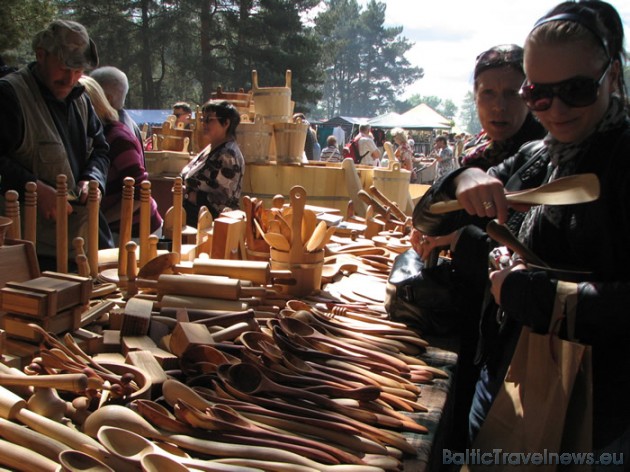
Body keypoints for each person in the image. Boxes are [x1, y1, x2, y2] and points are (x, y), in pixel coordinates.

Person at [413, 1, 630, 461]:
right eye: (539, 94)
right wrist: (461, 180)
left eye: (576, 90)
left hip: (594, 411)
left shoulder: (623, 163)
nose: (556, 109)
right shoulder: (537, 156)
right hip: (505, 375)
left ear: (612, 76)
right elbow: (427, 218)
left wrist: (534, 295)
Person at [0, 19, 113, 267]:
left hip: (81, 240)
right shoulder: (10, 96)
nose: (71, 78)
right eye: (64, 68)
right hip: (30, 252)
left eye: (79, 70)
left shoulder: (80, 99)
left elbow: (101, 150)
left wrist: (93, 178)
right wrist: (35, 189)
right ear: (41, 55)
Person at [79, 76, 162, 242]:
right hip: (111, 227)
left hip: (136, 232)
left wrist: (99, 221)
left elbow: (139, 194)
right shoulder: (93, 136)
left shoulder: (118, 138)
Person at [460, 44, 546, 171]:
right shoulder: (473, 150)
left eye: (512, 93)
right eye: (488, 93)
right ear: (475, 94)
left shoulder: (547, 153)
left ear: (530, 97)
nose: (499, 106)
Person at [181, 100, 244, 227]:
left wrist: (188, 194)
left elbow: (224, 200)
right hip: (195, 220)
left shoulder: (228, 155)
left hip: (210, 225)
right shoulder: (212, 148)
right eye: (203, 119)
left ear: (226, 123)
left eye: (209, 119)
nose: (204, 123)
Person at [90, 66, 144, 149]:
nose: (85, 99)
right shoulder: (132, 126)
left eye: (91, 93)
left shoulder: (114, 134)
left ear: (107, 98)